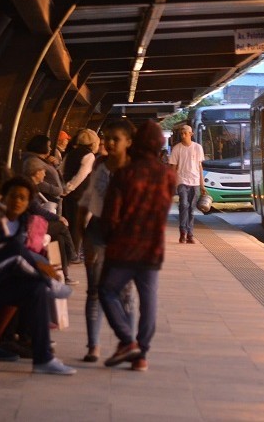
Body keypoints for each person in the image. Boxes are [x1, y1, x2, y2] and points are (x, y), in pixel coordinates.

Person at [100, 120, 178, 372]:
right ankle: (141, 355)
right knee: (149, 300)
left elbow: (111, 213)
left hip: (124, 245)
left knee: (106, 291)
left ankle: (127, 340)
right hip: (153, 247)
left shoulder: (125, 173)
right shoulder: (168, 175)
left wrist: (105, 238)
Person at [0, 176, 76, 375]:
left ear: (28, 203)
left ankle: (43, 357)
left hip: (1, 282)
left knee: (35, 289)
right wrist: (40, 270)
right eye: (13, 196)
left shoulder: (23, 222)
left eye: (22, 198)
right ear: (3, 197)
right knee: (17, 254)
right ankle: (48, 282)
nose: (17, 201)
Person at [77, 120, 136, 363]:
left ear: (128, 142)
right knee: (94, 291)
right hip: (98, 232)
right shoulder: (99, 165)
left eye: (115, 139)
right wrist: (84, 239)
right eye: (106, 139)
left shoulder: (136, 170)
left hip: (125, 236)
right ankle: (93, 346)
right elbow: (86, 200)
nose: (109, 144)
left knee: (125, 292)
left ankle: (128, 343)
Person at [62, 129, 100, 260]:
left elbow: (61, 169)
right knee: (78, 225)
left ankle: (70, 253)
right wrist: (69, 187)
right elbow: (82, 175)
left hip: (68, 195)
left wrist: (64, 188)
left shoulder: (70, 154)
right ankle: (74, 254)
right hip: (81, 194)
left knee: (70, 223)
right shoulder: (89, 156)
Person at [169, 124, 205, 243]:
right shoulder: (177, 148)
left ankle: (190, 234)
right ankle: (183, 231)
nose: (183, 135)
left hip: (194, 182)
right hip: (182, 181)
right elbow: (173, 167)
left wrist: (202, 184)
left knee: (191, 209)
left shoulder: (198, 148)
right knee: (184, 204)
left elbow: (200, 167)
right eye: (181, 133)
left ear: (191, 134)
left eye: (185, 133)